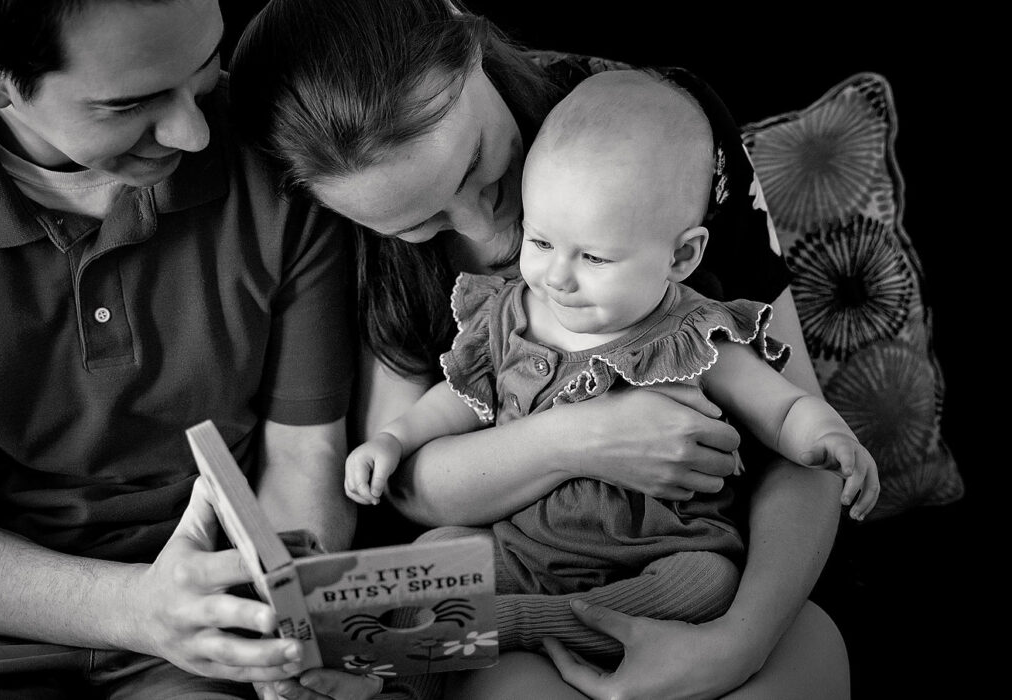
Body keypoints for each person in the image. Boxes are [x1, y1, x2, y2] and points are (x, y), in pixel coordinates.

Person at [230, 0, 871, 698]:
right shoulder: (359, 246)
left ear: (465, 38)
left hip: (693, 571)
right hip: (521, 570)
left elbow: (796, 437)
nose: (489, 222)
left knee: (815, 656)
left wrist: (736, 644)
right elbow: (415, 481)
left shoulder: (656, 134)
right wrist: (583, 438)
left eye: (479, 164)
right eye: (420, 223)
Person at [0, 2, 380, 699]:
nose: (192, 132)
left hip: (219, 608)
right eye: (131, 102)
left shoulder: (275, 144)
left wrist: (279, 625)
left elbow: (303, 456)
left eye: (201, 72)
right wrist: (137, 609)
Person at [345, 70, 878, 614]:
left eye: (594, 258)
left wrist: (828, 436)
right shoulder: (507, 316)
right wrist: (393, 439)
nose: (557, 276)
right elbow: (456, 402)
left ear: (681, 258)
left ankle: (537, 623)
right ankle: (419, 662)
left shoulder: (694, 332)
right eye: (541, 240)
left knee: (708, 579)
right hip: (525, 549)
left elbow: (782, 408)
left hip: (657, 554)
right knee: (433, 557)